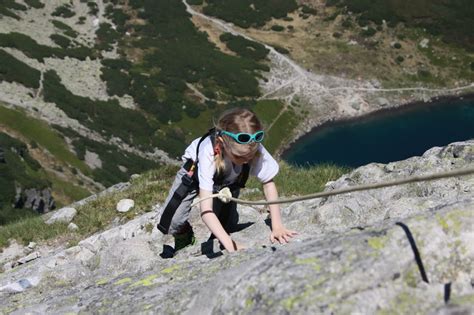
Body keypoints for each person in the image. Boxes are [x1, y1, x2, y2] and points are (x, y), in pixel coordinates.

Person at [158, 107, 297, 254]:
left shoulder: (251, 147)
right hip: (193, 175)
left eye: (250, 156)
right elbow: (206, 209)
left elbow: (268, 183)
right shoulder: (208, 153)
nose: (245, 161)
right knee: (172, 221)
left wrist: (277, 226)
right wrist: (230, 244)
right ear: (221, 143)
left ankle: (227, 219)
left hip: (227, 181)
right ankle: (184, 234)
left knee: (227, 226)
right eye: (239, 157)